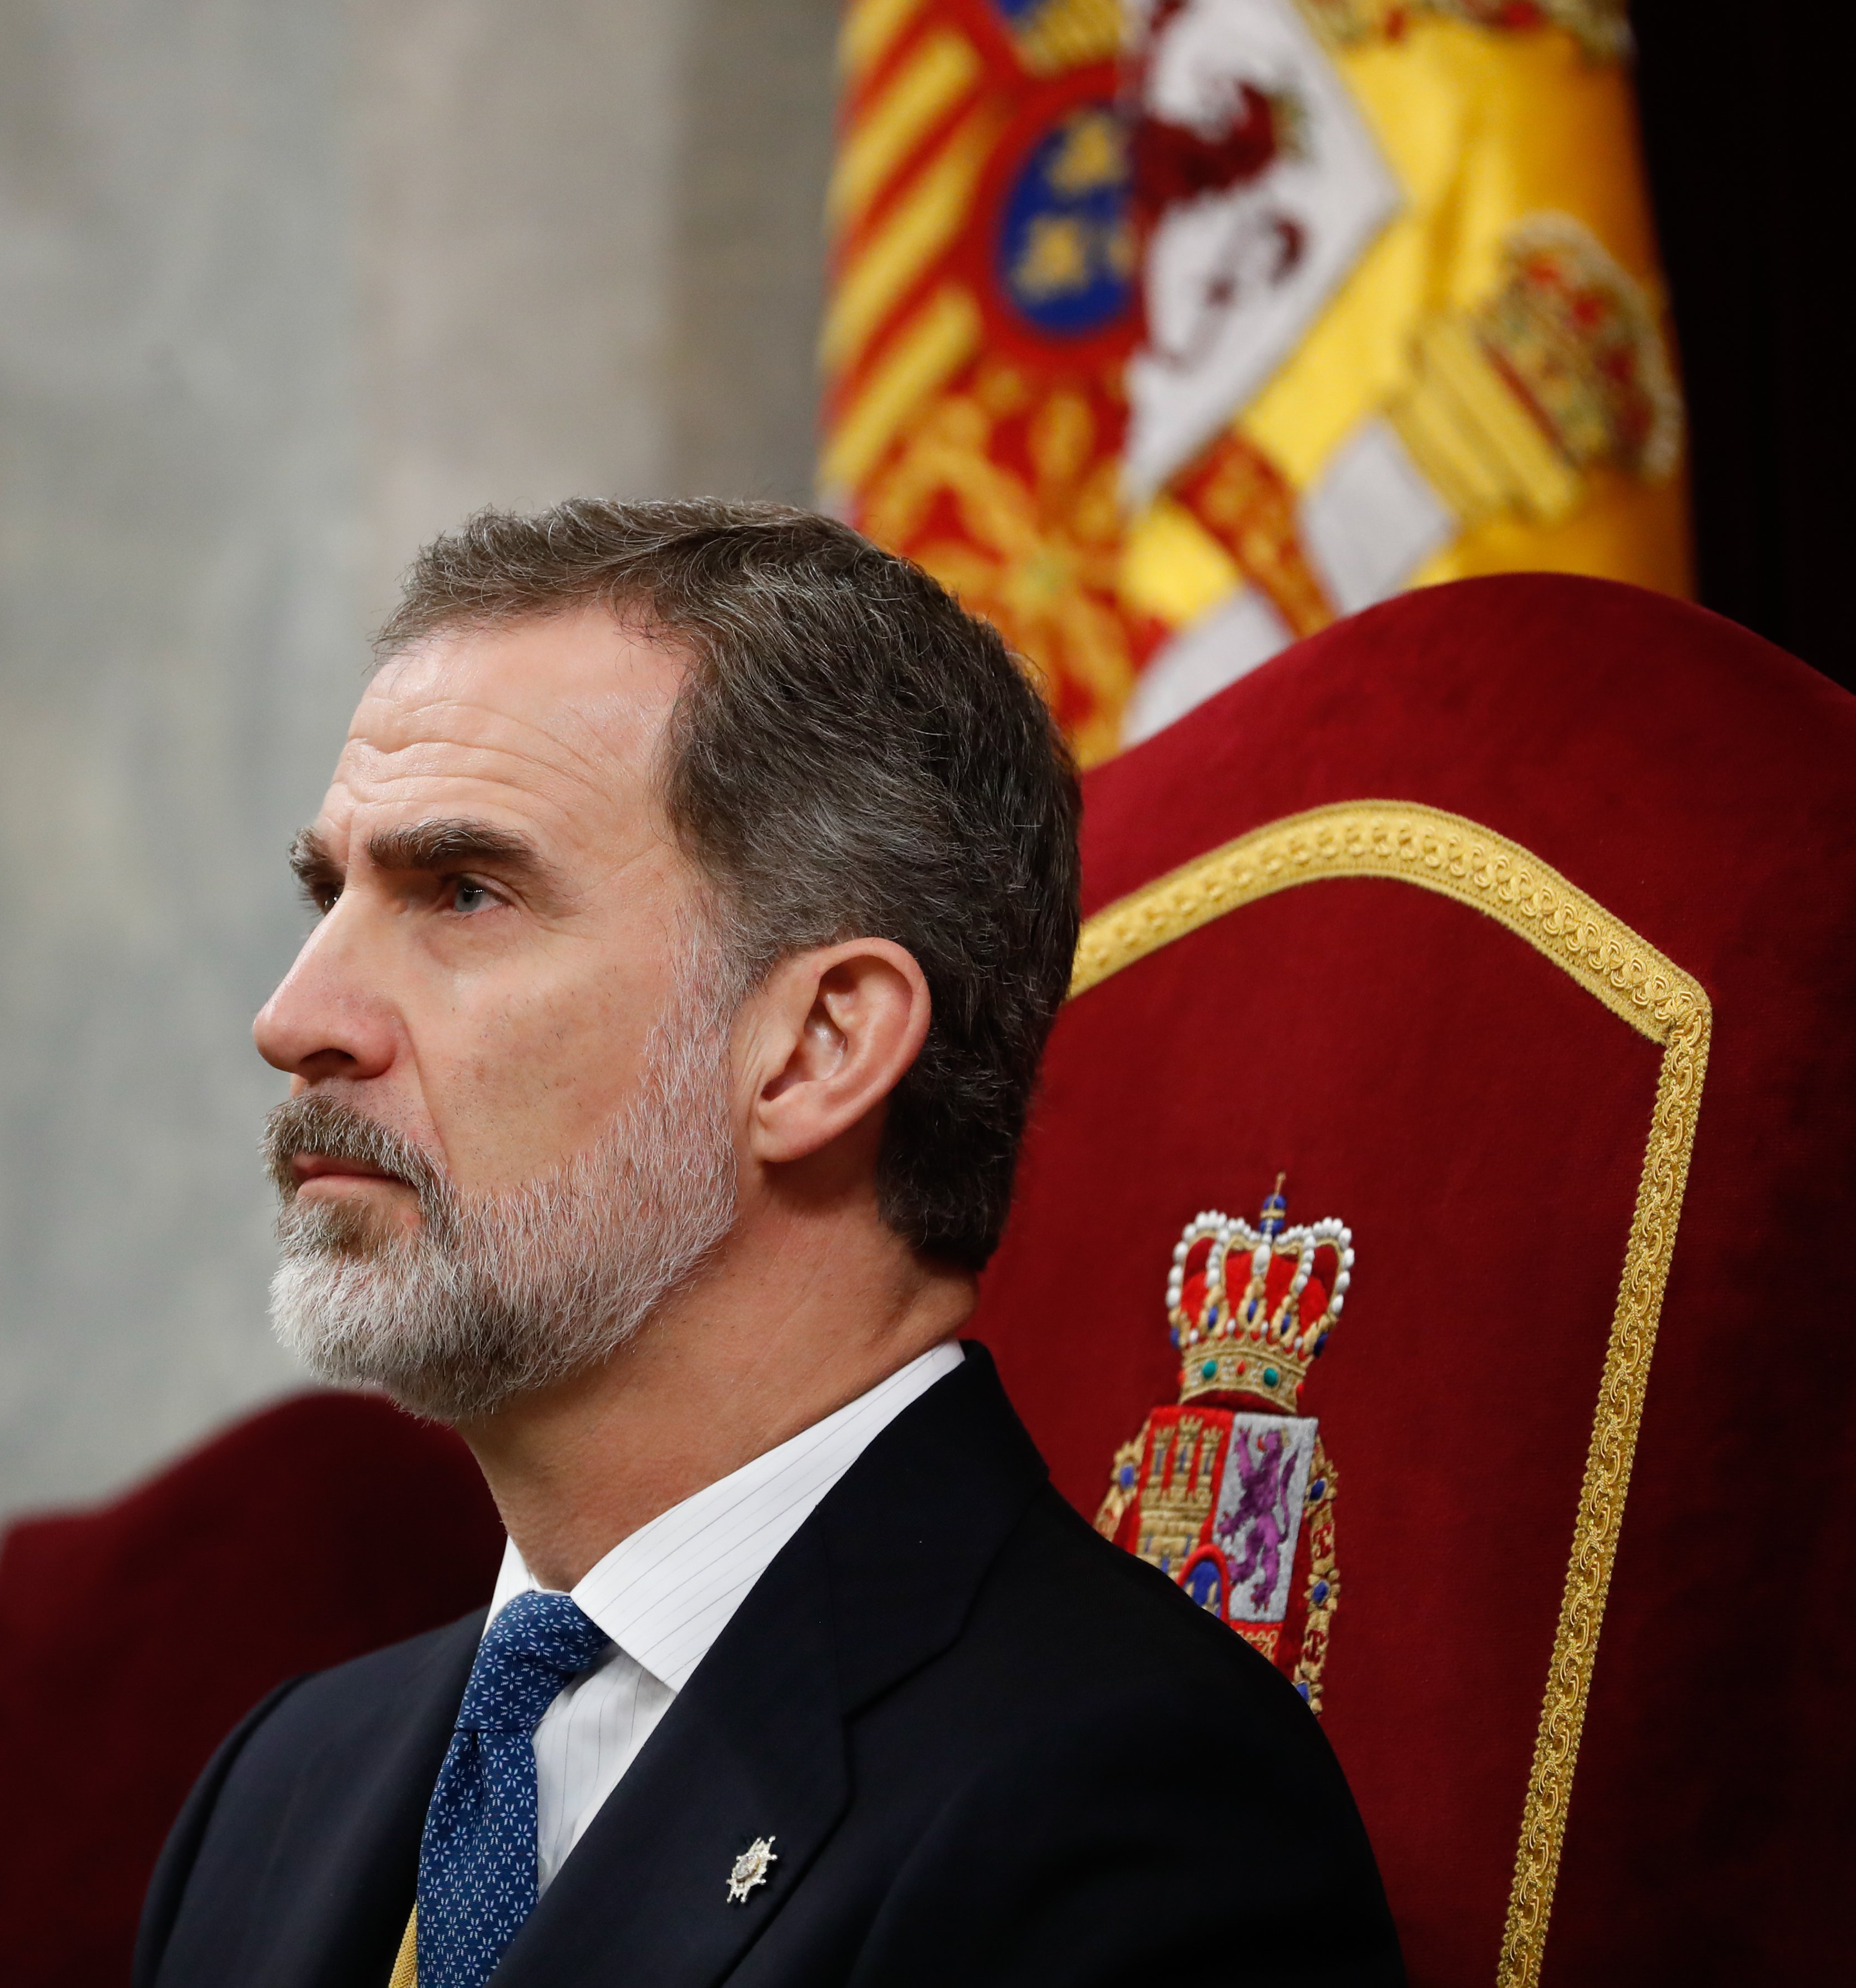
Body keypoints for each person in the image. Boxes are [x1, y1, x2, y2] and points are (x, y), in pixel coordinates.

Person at [134, 500, 1402, 1988]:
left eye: (462, 893)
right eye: (328, 893)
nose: (294, 1019)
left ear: (813, 1048)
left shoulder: (1119, 1812)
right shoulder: (281, 1785)